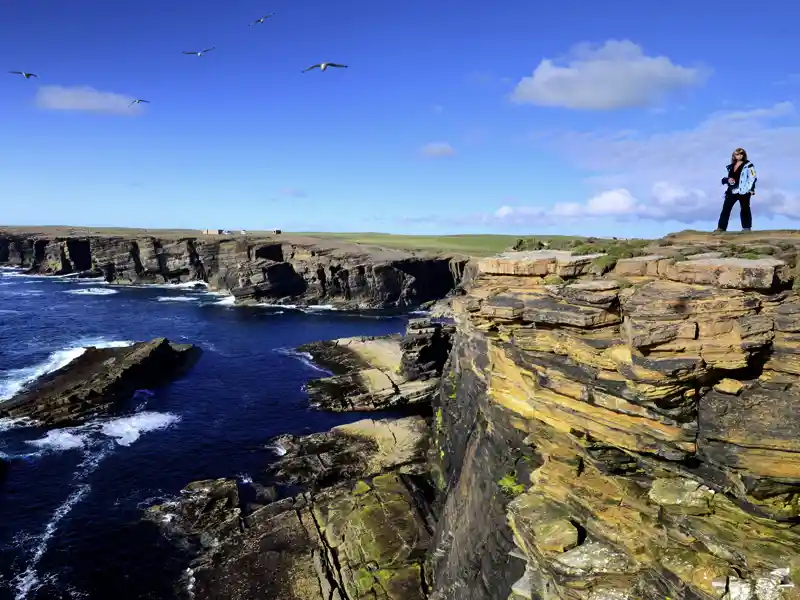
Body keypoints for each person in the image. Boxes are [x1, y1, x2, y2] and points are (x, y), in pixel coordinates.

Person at [715, 147, 757, 233]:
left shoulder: (748, 165)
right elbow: (726, 178)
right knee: (726, 208)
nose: (739, 156)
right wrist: (728, 180)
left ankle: (746, 228)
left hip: (744, 190)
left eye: (741, 154)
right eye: (737, 154)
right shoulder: (730, 166)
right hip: (731, 190)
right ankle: (721, 228)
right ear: (734, 156)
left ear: (743, 155)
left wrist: (751, 189)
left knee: (745, 209)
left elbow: (753, 178)